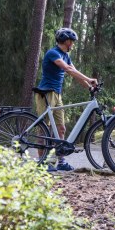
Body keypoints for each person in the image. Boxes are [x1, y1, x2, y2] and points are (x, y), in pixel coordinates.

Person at [35, 27, 97, 172]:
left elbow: (74, 73)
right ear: (66, 41)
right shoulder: (53, 53)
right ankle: (42, 162)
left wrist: (89, 87)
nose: (73, 45)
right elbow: (67, 69)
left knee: (61, 128)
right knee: (44, 129)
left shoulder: (65, 56)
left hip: (57, 94)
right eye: (72, 42)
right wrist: (89, 79)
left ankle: (61, 161)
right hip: (46, 93)